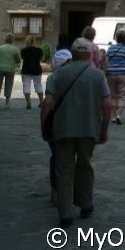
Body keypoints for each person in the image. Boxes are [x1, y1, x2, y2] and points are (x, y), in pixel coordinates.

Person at [41, 38, 111, 228]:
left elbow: (47, 103)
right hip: (89, 128)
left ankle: (65, 213)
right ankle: (85, 204)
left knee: (64, 169)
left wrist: (44, 125)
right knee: (85, 165)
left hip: (63, 128)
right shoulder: (98, 76)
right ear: (90, 54)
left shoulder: (57, 75)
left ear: (72, 54)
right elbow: (106, 104)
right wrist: (104, 128)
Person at [45, 48, 73, 205]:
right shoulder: (80, 75)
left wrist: (44, 123)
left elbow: (48, 103)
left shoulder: (52, 77)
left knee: (56, 157)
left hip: (56, 121)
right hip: (74, 121)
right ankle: (69, 191)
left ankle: (56, 191)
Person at [104, 29, 125, 124]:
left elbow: (106, 62)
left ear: (116, 38)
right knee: (121, 95)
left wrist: (106, 71)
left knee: (112, 95)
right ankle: (119, 115)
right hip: (123, 74)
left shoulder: (111, 49)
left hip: (111, 73)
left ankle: (113, 116)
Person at [0, 34, 21, 109]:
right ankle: (7, 103)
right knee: (9, 85)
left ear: (5, 39)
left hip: (0, 68)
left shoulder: (0, 48)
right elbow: (18, 60)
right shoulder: (14, 49)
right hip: (10, 69)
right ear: (12, 40)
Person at [20, 35, 44, 109]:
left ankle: (28, 104)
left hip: (26, 70)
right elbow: (41, 59)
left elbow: (22, 58)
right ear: (34, 41)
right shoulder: (39, 50)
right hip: (37, 69)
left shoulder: (23, 50)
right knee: (38, 85)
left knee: (26, 86)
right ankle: (41, 102)